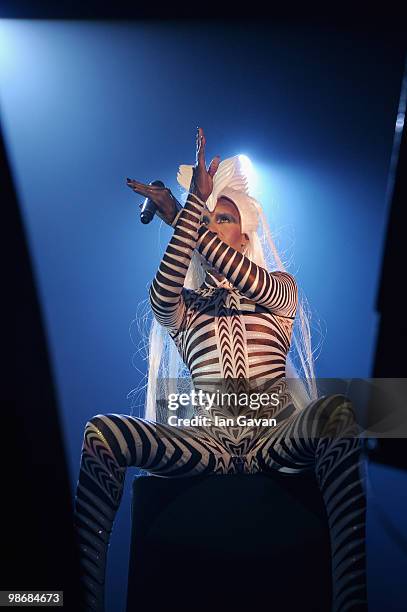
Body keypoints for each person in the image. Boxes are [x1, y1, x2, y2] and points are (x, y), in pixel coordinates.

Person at [74, 128, 367, 611]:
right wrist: (186, 218)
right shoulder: (184, 307)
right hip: (207, 444)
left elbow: (244, 277)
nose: (210, 226)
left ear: (244, 233)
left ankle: (351, 603)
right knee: (102, 434)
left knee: (338, 413)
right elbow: (161, 294)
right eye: (204, 220)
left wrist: (183, 218)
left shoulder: (279, 290)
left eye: (222, 219)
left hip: (274, 437)